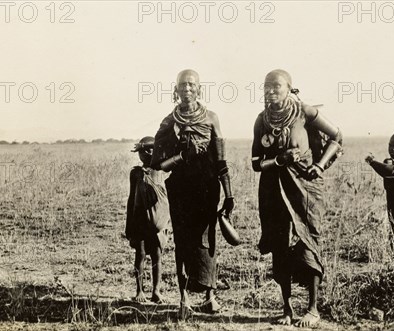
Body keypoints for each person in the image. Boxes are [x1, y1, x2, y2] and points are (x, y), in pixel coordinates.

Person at [251, 69, 343, 327]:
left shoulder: (305, 112)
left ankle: (313, 309)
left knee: (308, 242)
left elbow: (337, 137)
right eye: (266, 86)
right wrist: (280, 160)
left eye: (276, 86)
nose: (270, 90)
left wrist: (321, 166)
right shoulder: (262, 120)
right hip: (273, 189)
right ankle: (287, 309)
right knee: (280, 245)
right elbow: (256, 163)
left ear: (289, 88)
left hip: (305, 188)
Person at [150, 69, 235, 320]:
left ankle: (209, 296)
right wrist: (181, 157)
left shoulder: (211, 118)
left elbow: (221, 161)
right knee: (183, 241)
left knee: (207, 239)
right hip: (180, 189)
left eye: (191, 84)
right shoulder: (169, 122)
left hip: (208, 188)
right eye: (182, 85)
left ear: (199, 89)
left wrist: (229, 195)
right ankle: (183, 298)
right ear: (175, 90)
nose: (187, 89)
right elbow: (157, 163)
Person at [125, 136, 170, 304]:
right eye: (141, 153)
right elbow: (131, 198)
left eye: (144, 152)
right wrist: (129, 224)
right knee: (141, 254)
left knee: (157, 255)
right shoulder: (136, 173)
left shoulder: (162, 170)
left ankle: (156, 291)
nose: (142, 156)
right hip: (139, 219)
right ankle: (139, 291)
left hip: (157, 220)